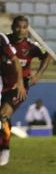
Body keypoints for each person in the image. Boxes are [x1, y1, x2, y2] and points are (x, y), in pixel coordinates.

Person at [0, 15, 52, 165]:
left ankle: (5, 149)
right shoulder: (5, 42)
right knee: (3, 120)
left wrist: (38, 75)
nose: (21, 30)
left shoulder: (31, 46)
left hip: (18, 88)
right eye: (18, 26)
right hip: (3, 84)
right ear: (12, 27)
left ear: (27, 29)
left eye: (24, 27)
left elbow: (47, 55)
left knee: (3, 115)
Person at [0, 32, 26, 166]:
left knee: (3, 116)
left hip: (10, 86)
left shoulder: (1, 39)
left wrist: (20, 83)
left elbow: (16, 61)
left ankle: (5, 148)